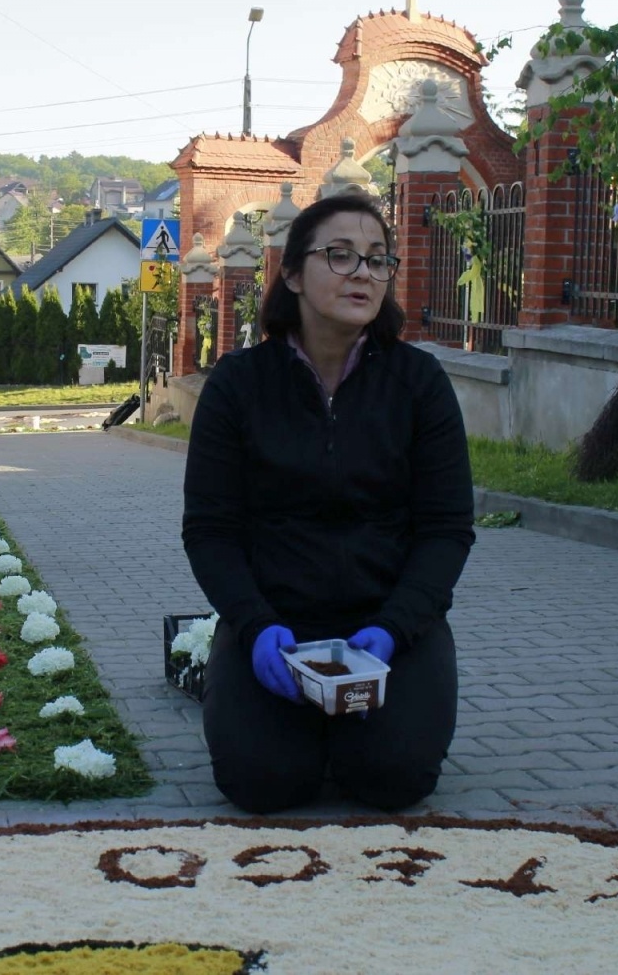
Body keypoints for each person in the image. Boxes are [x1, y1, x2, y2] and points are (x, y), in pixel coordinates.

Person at [181, 191, 475, 814]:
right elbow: (210, 530)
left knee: (393, 781)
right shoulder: (238, 385)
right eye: (339, 256)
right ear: (290, 273)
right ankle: (269, 705)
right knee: (261, 785)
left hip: (388, 630)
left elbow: (447, 529)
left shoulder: (418, 383)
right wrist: (255, 627)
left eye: (376, 259)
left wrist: (395, 629)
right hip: (277, 627)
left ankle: (359, 729)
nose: (363, 273)